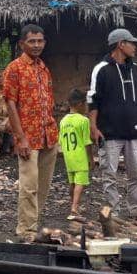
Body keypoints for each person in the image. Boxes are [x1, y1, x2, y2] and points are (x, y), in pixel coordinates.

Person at [87, 28, 137, 214]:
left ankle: (135, 209)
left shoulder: (136, 70)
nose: (135, 46)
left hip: (133, 132)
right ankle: (113, 213)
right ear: (120, 44)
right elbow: (93, 100)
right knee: (110, 174)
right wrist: (94, 127)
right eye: (131, 43)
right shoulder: (101, 69)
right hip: (109, 132)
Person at [3, 24, 58, 241]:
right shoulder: (14, 69)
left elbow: (48, 102)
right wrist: (21, 138)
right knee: (29, 185)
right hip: (29, 137)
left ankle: (33, 224)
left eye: (40, 41)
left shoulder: (43, 68)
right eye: (32, 41)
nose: (36, 45)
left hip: (48, 135)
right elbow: (10, 104)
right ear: (22, 44)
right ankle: (25, 230)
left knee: (43, 185)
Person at [59, 88, 93, 216]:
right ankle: (75, 206)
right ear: (79, 104)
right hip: (80, 156)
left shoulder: (63, 121)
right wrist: (90, 159)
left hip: (68, 156)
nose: (85, 107)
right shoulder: (83, 120)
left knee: (72, 182)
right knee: (80, 183)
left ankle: (72, 203)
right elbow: (87, 142)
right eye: (85, 104)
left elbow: (60, 141)